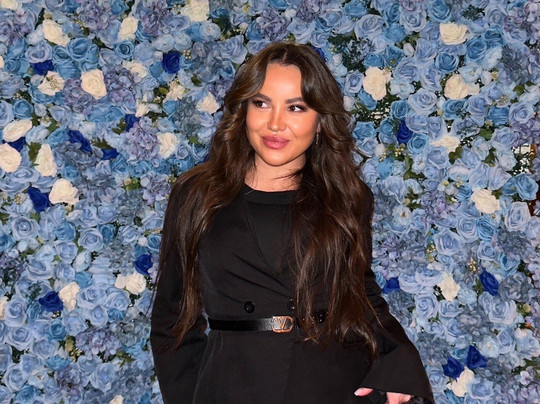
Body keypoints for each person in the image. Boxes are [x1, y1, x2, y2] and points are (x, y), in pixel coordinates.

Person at [150, 42, 434, 404]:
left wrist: (397, 370)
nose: (275, 123)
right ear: (243, 110)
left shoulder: (346, 196)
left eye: (296, 107)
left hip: (331, 386)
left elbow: (361, 295)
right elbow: (172, 321)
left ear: (320, 122)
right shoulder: (196, 194)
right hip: (233, 386)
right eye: (261, 103)